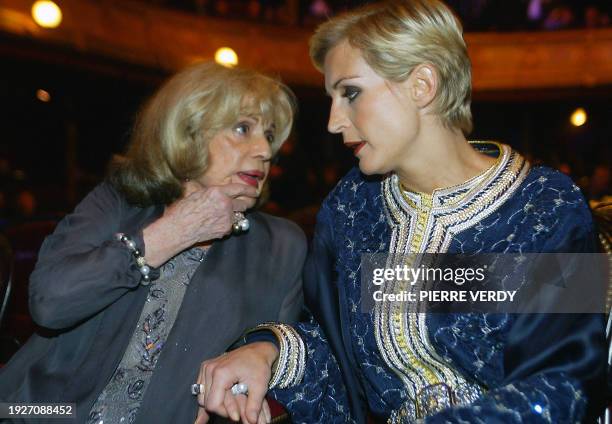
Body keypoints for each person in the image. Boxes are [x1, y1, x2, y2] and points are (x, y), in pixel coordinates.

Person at [196, 1, 606, 423]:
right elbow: (346, 360)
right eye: (333, 99)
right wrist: (269, 352)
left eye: (351, 93)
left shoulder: (543, 206)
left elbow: (563, 381)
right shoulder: (355, 208)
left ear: (422, 85)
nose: (334, 121)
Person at [0, 61, 306, 424]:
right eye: (242, 129)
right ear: (188, 134)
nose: (264, 150)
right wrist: (174, 231)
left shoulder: (280, 245)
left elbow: (282, 349)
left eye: (269, 136)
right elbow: (49, 304)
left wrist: (266, 350)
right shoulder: (117, 202)